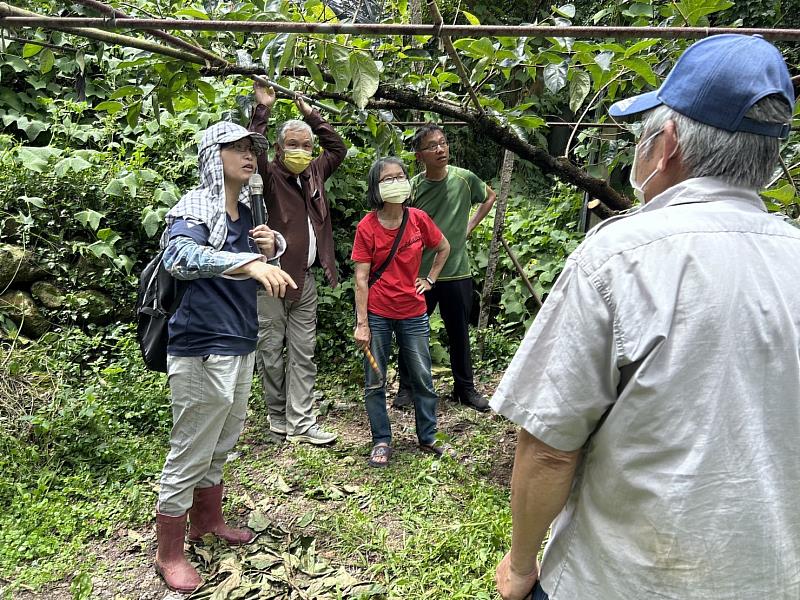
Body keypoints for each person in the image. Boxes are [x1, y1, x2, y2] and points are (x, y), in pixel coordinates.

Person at [491, 34, 799, 600]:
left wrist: (521, 561)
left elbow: (551, 446)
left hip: (621, 581)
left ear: (668, 143)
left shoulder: (618, 257)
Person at [154, 121, 297, 593]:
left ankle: (206, 523)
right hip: (200, 343)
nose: (247, 154)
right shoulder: (197, 205)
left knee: (223, 439)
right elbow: (178, 256)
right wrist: (250, 263)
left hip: (238, 339)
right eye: (233, 148)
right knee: (191, 445)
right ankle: (168, 553)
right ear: (210, 156)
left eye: (249, 147)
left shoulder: (247, 210)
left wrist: (272, 247)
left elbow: (255, 264)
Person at [248, 82, 347, 445]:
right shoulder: (269, 174)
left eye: (306, 146)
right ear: (279, 148)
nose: (301, 151)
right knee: (271, 350)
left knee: (303, 353)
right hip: (271, 278)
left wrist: (312, 116)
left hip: (304, 280)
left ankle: (301, 423)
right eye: (293, 144)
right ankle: (277, 416)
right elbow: (253, 148)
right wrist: (263, 110)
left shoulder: (315, 173)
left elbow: (338, 148)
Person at [352, 157, 451, 466]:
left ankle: (429, 437)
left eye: (400, 177)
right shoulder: (367, 227)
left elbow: (444, 247)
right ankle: (381, 440)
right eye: (387, 179)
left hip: (413, 311)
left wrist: (429, 279)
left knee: (422, 376)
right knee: (375, 379)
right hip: (378, 312)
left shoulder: (419, 219)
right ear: (376, 188)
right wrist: (362, 324)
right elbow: (361, 278)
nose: (395, 183)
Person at [394, 124, 496, 411]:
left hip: (457, 272)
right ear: (419, 155)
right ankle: (407, 388)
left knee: (459, 333)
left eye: (443, 143)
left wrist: (470, 226)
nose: (440, 150)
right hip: (420, 275)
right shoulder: (412, 187)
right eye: (432, 146)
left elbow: (489, 196)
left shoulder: (464, 179)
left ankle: (465, 389)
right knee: (411, 332)